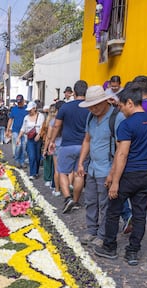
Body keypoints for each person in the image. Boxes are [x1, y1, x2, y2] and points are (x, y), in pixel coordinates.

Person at [93, 84, 147, 266]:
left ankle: (109, 247)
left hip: (127, 174)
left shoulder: (126, 125)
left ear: (130, 103)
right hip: (146, 174)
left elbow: (122, 154)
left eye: (121, 106)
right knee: (140, 215)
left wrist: (115, 181)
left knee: (113, 211)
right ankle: (133, 252)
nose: (121, 110)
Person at [77, 85, 124, 246]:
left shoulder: (116, 118)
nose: (94, 108)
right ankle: (91, 230)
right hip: (92, 168)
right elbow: (87, 140)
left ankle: (103, 234)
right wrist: (81, 162)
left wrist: (113, 173)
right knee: (90, 201)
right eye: (90, 106)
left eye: (96, 104)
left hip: (107, 168)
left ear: (105, 101)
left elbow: (121, 148)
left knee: (105, 204)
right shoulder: (90, 117)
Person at [47, 80, 90, 214]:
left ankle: (67, 198)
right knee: (79, 174)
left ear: (74, 92)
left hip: (67, 144)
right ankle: (76, 201)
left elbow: (57, 125)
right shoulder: (90, 108)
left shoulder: (65, 107)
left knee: (63, 172)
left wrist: (52, 141)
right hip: (84, 145)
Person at [19, 102, 45, 179]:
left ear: (34, 108)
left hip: (37, 138)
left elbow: (42, 127)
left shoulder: (40, 116)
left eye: (30, 110)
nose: (29, 111)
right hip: (30, 138)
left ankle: (36, 171)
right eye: (28, 110)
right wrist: (19, 137)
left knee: (37, 156)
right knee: (31, 155)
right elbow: (23, 128)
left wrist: (39, 135)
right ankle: (32, 173)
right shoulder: (26, 117)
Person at [7, 94, 28, 167]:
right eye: (18, 102)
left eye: (20, 102)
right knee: (18, 146)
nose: (19, 104)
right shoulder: (14, 109)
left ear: (23, 101)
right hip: (16, 130)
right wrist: (8, 130)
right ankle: (17, 160)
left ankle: (22, 161)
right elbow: (10, 119)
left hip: (24, 131)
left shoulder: (26, 109)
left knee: (23, 146)